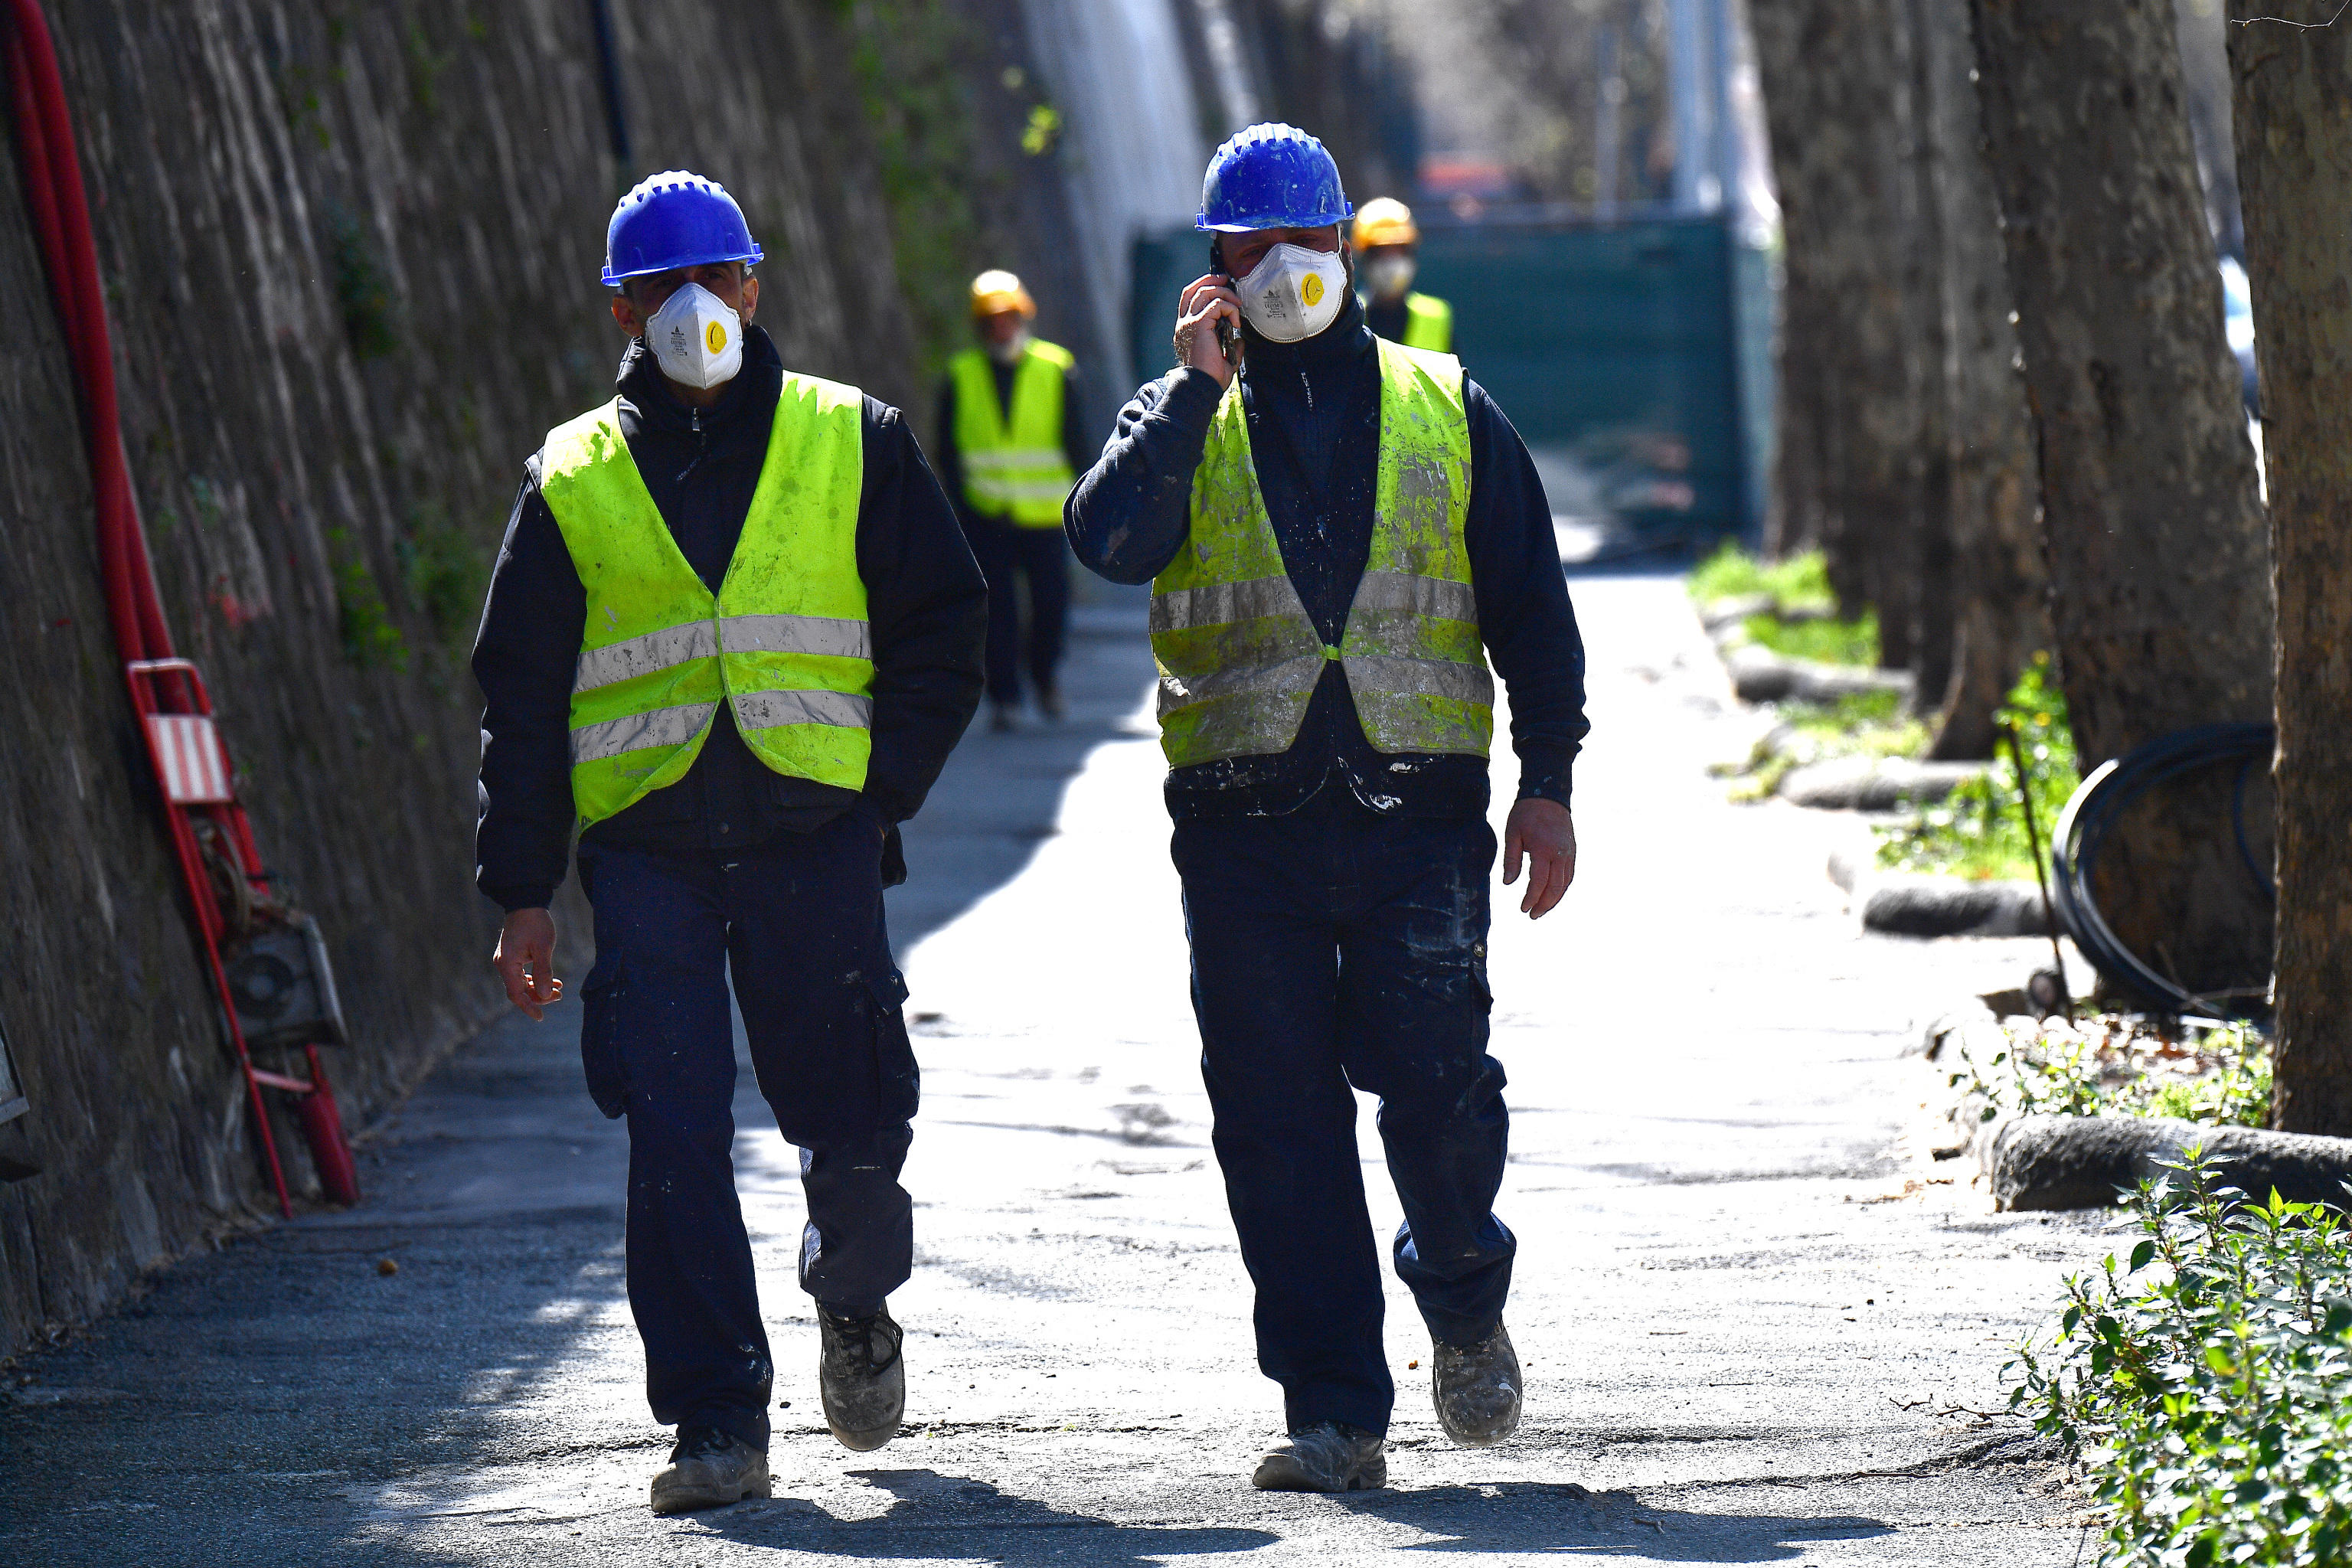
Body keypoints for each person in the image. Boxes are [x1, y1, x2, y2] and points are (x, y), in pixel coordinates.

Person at [1065, 125, 1587, 1494]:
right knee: (1276, 1119)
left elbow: (1535, 613)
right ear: (1213, 269)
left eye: (1308, 240)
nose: (1286, 265)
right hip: (1244, 828)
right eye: (1253, 247)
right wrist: (1188, 396)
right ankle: (1332, 1407)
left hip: (1417, 813)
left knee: (1437, 1088)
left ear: (1347, 247)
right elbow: (1108, 543)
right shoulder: (1170, 416)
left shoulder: (1445, 401)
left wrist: (1548, 784)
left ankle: (1462, 1293)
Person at [471, 170, 986, 1515]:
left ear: (755, 288)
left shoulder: (849, 436)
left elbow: (946, 623)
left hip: (816, 836)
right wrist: (520, 889)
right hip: (647, 853)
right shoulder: (572, 473)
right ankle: (715, 1419)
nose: (690, 305)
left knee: (854, 1120)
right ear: (622, 311)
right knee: (675, 1133)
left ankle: (855, 1301)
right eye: (657, 288)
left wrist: (884, 791)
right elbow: (519, 697)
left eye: (714, 278)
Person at [934, 271, 1092, 730]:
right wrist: (961, 506)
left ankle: (1045, 679)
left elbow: (1078, 444)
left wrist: (1085, 505)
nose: (1001, 328)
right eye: (992, 320)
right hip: (985, 516)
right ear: (981, 326)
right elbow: (948, 450)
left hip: (1045, 515)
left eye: (1008, 318)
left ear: (1022, 318)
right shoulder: (960, 375)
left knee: (1051, 607)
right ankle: (1005, 696)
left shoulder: (1056, 368)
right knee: (994, 614)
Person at [1353, 197, 1452, 353]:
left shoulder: (1437, 317)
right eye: (1381, 253)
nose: (1392, 264)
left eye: (1398, 251)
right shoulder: (1349, 320)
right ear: (1364, 259)